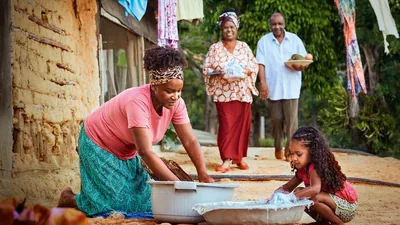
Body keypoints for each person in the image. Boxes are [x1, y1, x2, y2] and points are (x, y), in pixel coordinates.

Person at [57, 46, 214, 216]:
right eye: (169, 91)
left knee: (146, 201)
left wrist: (203, 174)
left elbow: (190, 140)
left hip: (126, 150)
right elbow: (146, 152)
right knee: (113, 205)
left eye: (179, 91)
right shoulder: (137, 102)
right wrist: (178, 185)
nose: (175, 96)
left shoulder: (177, 104)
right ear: (154, 86)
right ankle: (70, 199)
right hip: (97, 143)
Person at [203, 10, 259, 173]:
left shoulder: (244, 47)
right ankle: (226, 159)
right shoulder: (215, 49)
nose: (229, 30)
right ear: (222, 29)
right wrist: (219, 72)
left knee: (243, 126)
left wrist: (245, 70)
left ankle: (239, 158)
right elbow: (207, 69)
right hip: (223, 94)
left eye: (232, 27)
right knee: (227, 125)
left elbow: (254, 66)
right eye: (226, 27)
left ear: (236, 28)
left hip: (242, 93)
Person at [270, 126, 358, 225]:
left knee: (307, 197)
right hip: (332, 206)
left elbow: (315, 189)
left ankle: (338, 223)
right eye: (291, 153)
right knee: (299, 192)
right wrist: (274, 198)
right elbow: (287, 187)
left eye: (299, 154)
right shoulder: (303, 169)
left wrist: (291, 198)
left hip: (347, 208)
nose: (293, 158)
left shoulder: (316, 167)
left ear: (312, 152)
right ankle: (324, 223)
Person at [256, 12, 312, 161]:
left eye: (280, 24)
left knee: (292, 122)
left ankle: (290, 152)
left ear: (284, 24)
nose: (277, 27)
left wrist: (299, 67)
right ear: (270, 25)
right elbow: (260, 64)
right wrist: (263, 83)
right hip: (273, 88)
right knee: (277, 120)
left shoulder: (295, 40)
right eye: (274, 24)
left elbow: (304, 61)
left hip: (291, 87)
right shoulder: (264, 41)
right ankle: (277, 147)